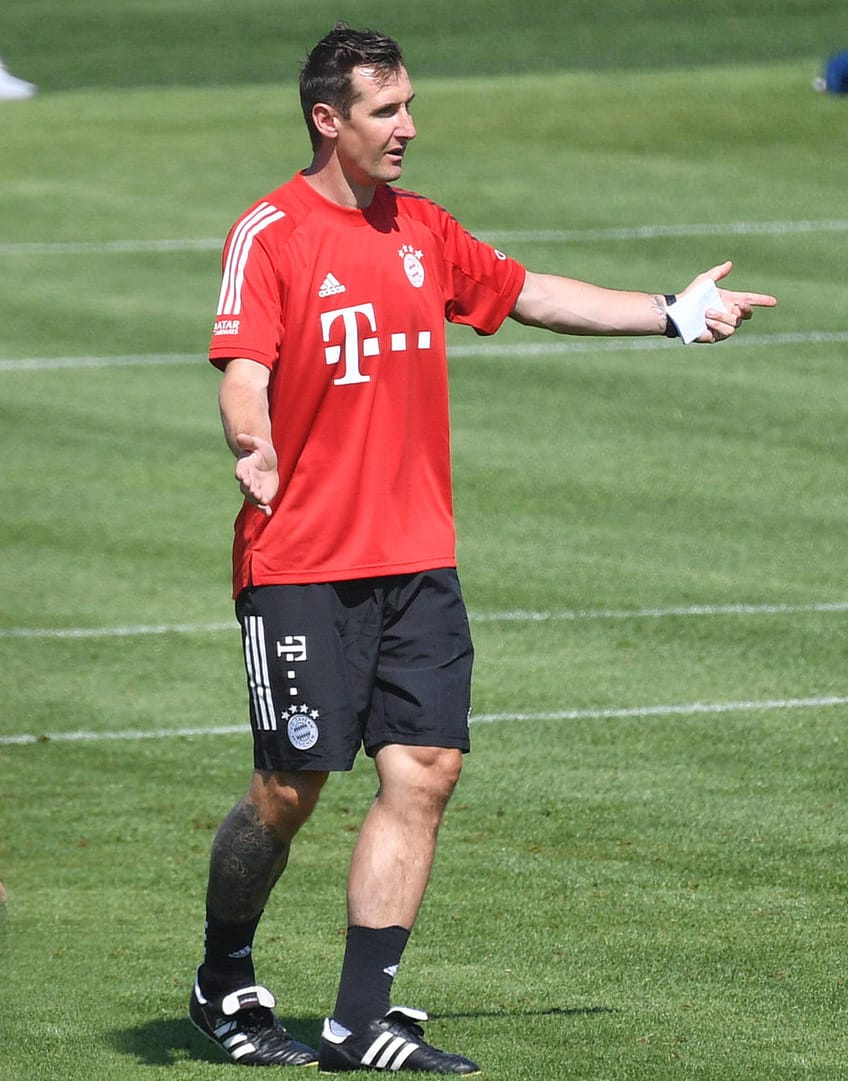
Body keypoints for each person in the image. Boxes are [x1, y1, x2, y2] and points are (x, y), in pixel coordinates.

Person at [189, 23, 775, 1074]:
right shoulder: (270, 234)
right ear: (330, 120)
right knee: (292, 786)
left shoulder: (423, 229)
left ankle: (357, 1020)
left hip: (417, 558)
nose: (408, 126)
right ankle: (222, 973)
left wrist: (672, 315)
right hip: (302, 561)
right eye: (386, 110)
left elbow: (529, 292)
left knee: (425, 770)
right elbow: (243, 366)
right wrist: (254, 443)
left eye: (409, 104)